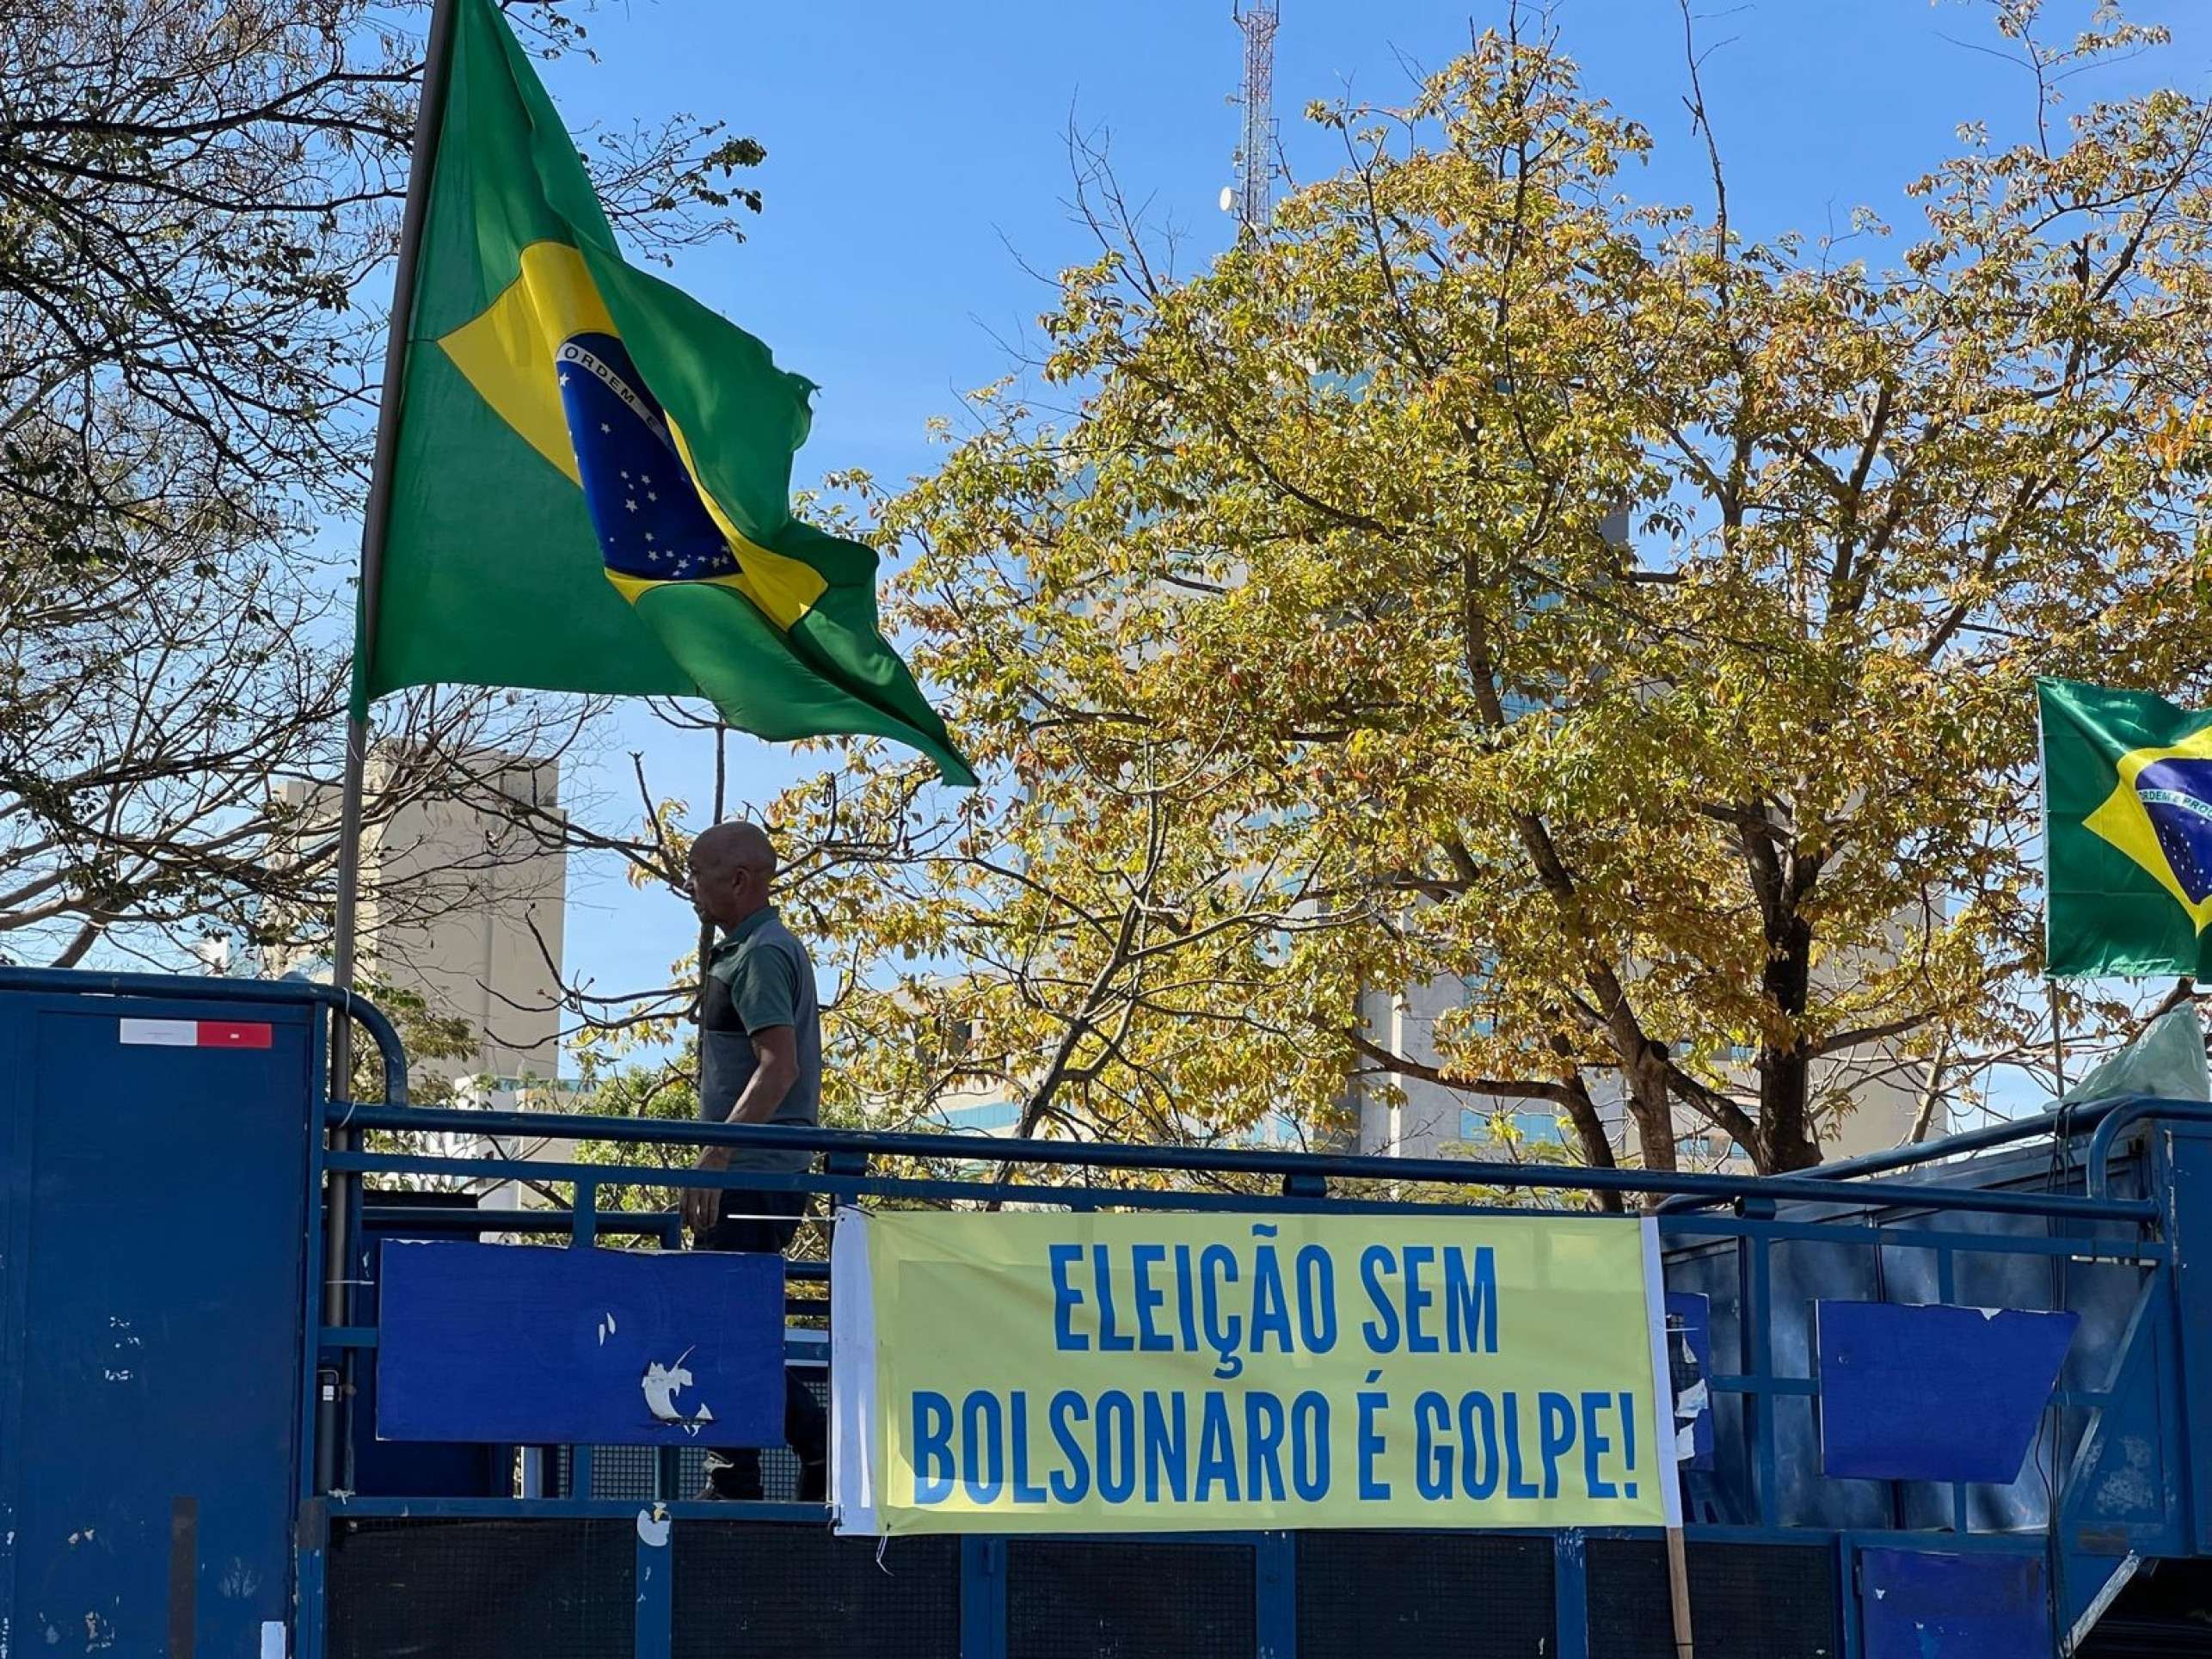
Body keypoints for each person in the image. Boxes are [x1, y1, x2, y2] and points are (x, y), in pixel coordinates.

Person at [680, 820, 829, 1502]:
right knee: (728, 1319)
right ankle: (755, 1463)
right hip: (759, 1168)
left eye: (698, 872)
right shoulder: (754, 948)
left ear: (737, 879)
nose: (691, 886)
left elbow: (778, 1065)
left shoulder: (762, 955)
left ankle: (758, 1464)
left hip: (755, 1171)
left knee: (721, 1320)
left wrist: (716, 1155)